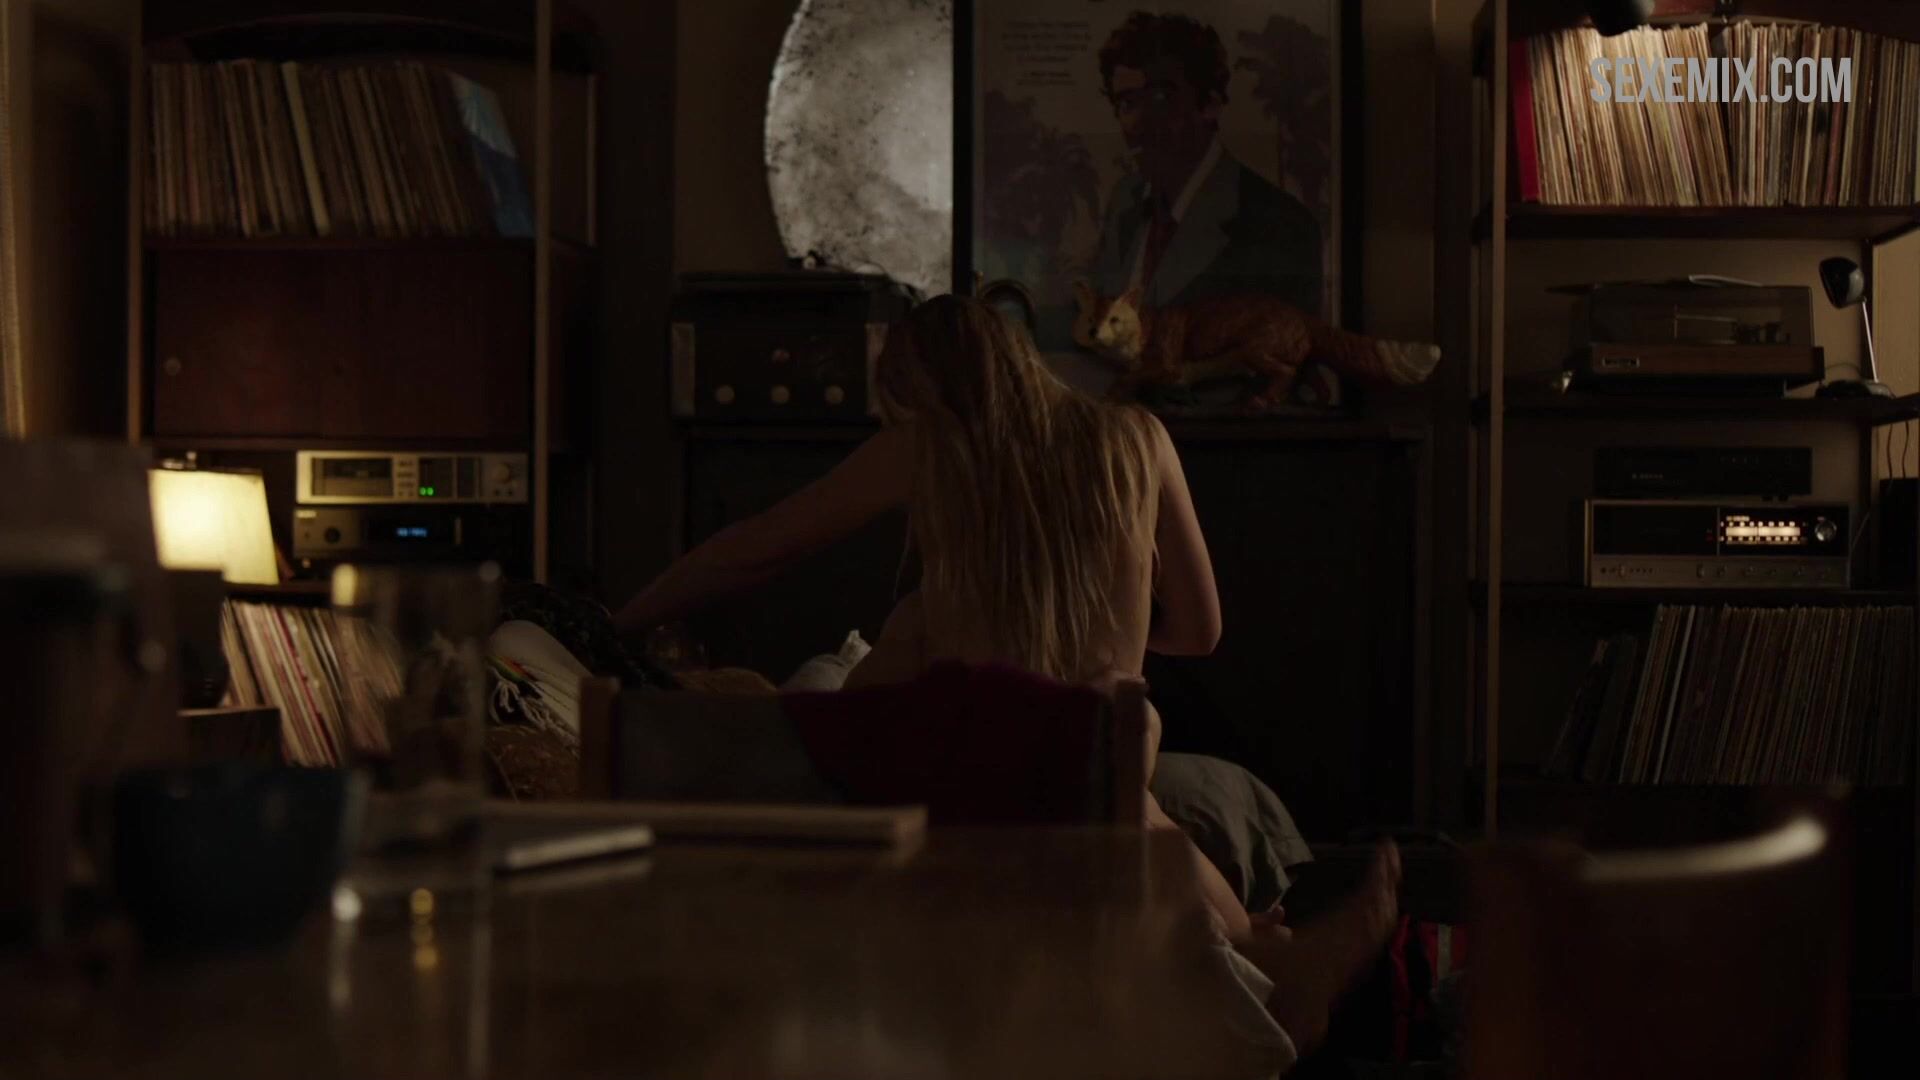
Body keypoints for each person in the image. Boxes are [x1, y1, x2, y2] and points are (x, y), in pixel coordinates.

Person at [613, 294, 1396, 1059]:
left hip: (984, 757)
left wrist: (623, 620)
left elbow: (757, 548)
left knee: (847, 671)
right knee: (1136, 809)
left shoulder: (932, 447)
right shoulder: (1139, 437)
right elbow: (1201, 632)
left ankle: (1265, 963)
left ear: (921, 390)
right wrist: (1116, 622)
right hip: (1107, 743)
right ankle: (1264, 956)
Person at [1088, 11, 1324, 314]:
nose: (1138, 122)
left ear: (1210, 104)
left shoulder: (1281, 226)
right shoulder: (1124, 200)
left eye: (1160, 97)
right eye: (1127, 103)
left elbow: (1283, 341)